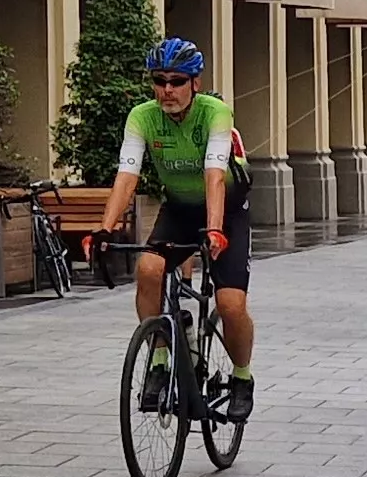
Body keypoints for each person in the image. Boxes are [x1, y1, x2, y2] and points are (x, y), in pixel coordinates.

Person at [98, 38, 257, 421]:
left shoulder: (215, 112)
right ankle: (159, 359)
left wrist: (215, 230)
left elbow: (214, 175)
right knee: (148, 269)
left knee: (230, 305)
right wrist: (105, 230)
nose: (167, 89)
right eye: (159, 80)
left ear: (195, 83)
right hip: (181, 209)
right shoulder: (142, 116)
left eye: (177, 80)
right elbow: (127, 175)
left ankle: (241, 376)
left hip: (227, 211)